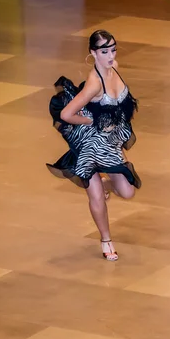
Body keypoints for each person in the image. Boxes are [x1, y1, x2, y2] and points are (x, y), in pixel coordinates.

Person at [46, 29, 140, 261]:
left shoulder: (113, 66)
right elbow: (67, 114)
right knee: (94, 192)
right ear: (93, 53)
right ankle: (106, 240)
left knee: (128, 192)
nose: (111, 55)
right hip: (89, 143)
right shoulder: (94, 84)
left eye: (113, 49)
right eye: (105, 51)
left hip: (108, 141)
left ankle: (107, 186)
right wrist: (88, 120)